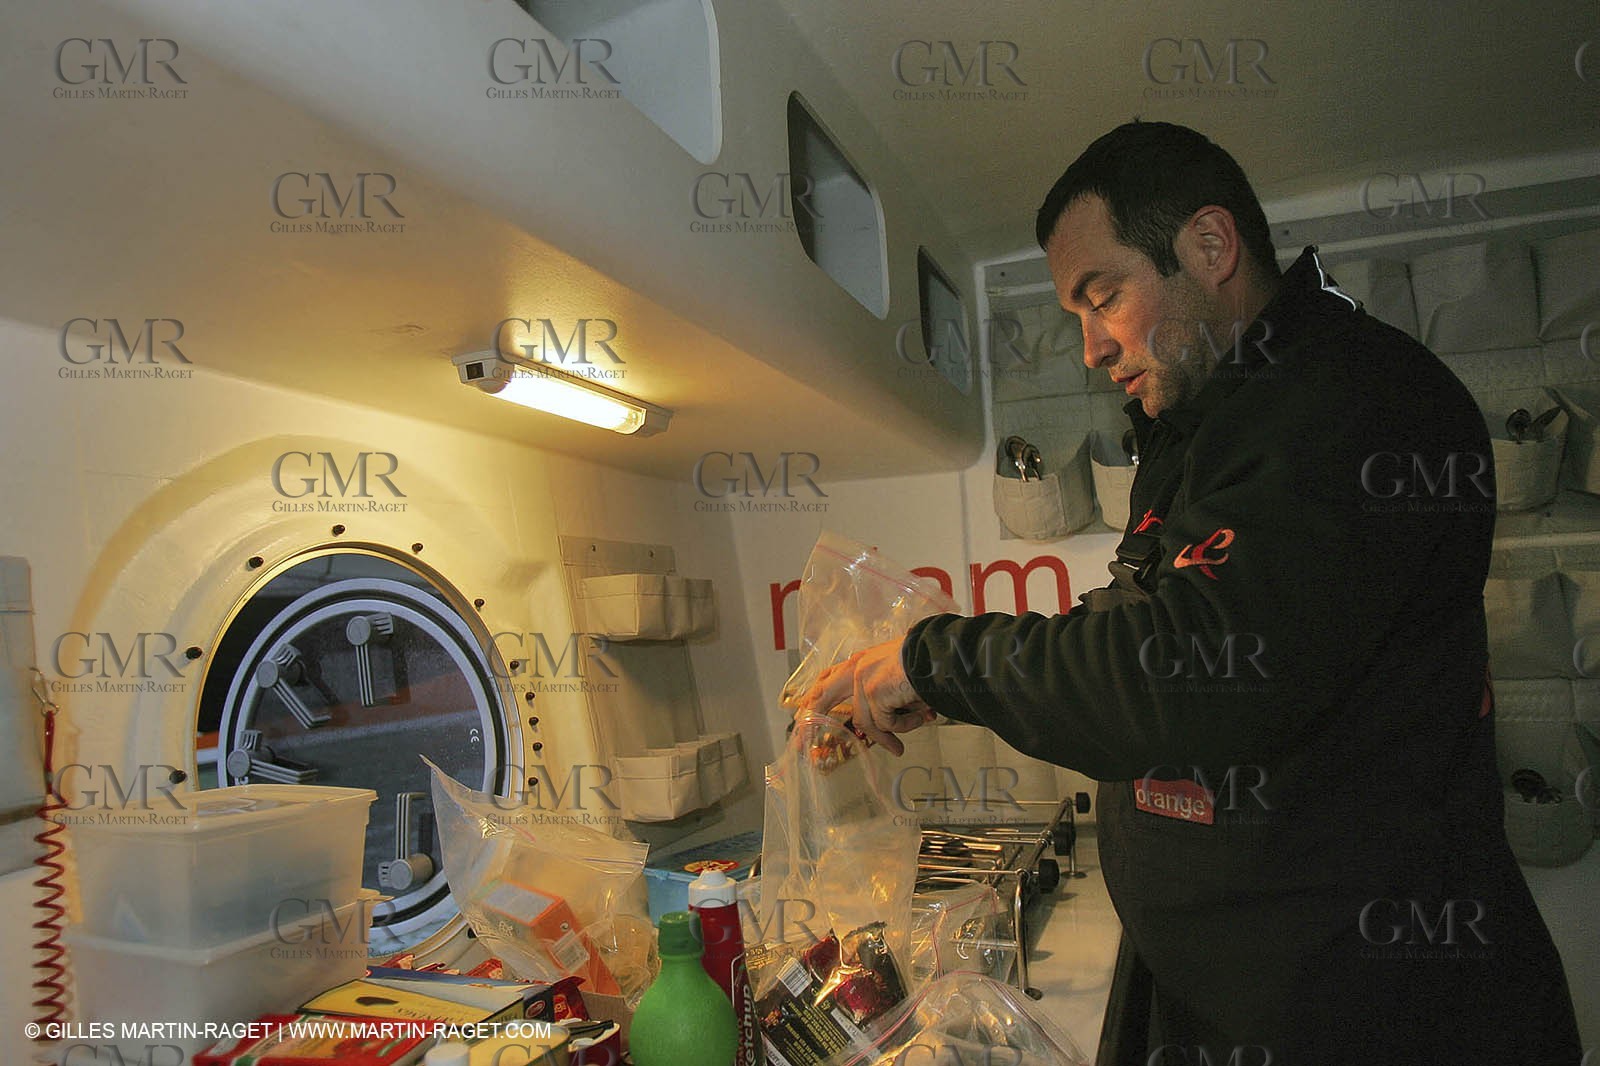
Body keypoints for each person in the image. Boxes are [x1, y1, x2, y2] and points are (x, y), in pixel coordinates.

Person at [798, 121, 1582, 1064]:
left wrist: (937, 657)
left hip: (1380, 1017)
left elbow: (1185, 672)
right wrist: (936, 681)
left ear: (1211, 247)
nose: (1090, 347)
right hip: (1250, 996)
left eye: (1104, 297)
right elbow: (1148, 631)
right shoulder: (1214, 428)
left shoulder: (1353, 404)